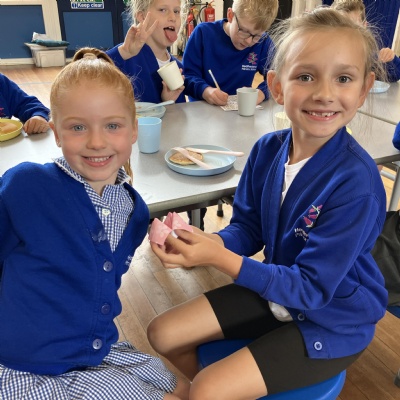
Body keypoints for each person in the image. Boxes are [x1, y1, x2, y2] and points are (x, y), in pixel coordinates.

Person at [147, 8, 388, 399]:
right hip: (278, 290)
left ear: (363, 90)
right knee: (162, 333)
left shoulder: (356, 184)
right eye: (305, 76)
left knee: (208, 389)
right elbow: (249, 228)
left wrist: (218, 258)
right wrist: (208, 243)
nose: (324, 93)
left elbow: (311, 288)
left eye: (343, 78)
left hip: (331, 318)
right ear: (276, 86)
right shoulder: (266, 150)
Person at [0, 47, 189, 400]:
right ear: (56, 133)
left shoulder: (134, 211)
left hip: (93, 348)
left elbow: (101, 280)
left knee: (184, 390)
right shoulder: (26, 187)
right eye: (77, 127)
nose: (97, 142)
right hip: (26, 366)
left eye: (112, 126)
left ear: (134, 130)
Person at [182, 0, 278, 106]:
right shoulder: (203, 34)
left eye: (257, 36)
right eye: (244, 31)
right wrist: (205, 91)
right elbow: (186, 78)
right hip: (201, 109)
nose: (249, 41)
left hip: (239, 111)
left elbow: (279, 75)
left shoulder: (263, 42)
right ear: (230, 15)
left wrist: (262, 93)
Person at [107, 0, 186, 104]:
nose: (173, 18)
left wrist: (167, 101)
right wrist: (123, 52)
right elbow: (89, 71)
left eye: (176, 11)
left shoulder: (178, 68)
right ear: (142, 16)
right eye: (163, 10)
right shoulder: (125, 57)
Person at [332, 0, 400, 82]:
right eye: (342, 28)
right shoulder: (329, 55)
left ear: (364, 26)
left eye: (355, 27)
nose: (348, 34)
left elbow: (396, 74)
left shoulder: (370, 56)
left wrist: (391, 59)